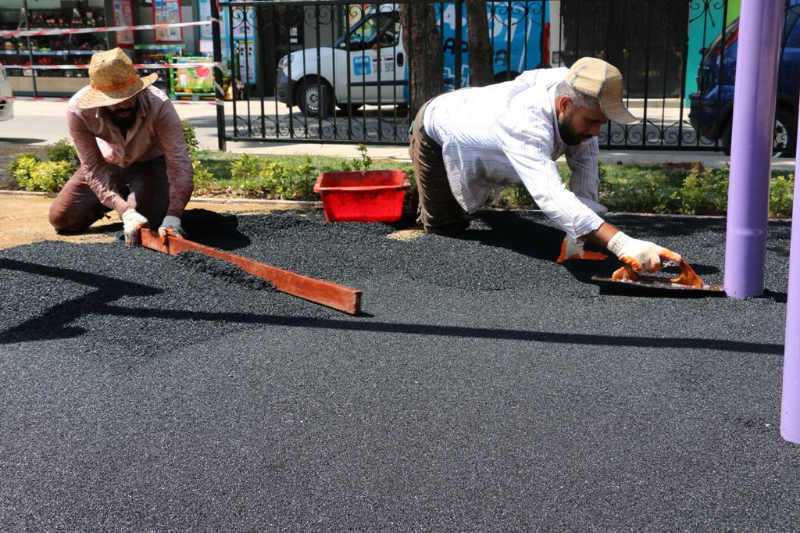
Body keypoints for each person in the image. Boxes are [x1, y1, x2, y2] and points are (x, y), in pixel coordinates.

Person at [408, 56, 682, 275]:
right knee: (444, 228)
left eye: (602, 122)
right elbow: (549, 193)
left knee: (465, 212)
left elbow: (585, 166)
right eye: (591, 122)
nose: (596, 132)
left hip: (480, 118)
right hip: (438, 126)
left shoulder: (577, 89)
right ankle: (411, 198)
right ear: (564, 104)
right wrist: (622, 243)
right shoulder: (523, 120)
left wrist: (580, 239)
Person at [49, 47, 193, 247]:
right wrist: (124, 210)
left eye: (128, 95)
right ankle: (120, 200)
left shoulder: (159, 105)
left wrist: (174, 215)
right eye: (115, 100)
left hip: (150, 163)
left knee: (148, 221)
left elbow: (179, 162)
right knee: (62, 219)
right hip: (108, 164)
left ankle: (140, 198)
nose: (124, 104)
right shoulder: (79, 111)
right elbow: (92, 167)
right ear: (100, 99)